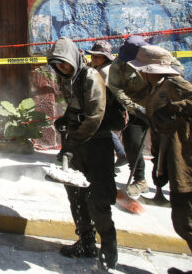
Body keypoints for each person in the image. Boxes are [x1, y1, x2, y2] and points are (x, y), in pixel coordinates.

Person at [128, 44, 192, 274]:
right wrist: (158, 164)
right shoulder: (155, 88)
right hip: (176, 161)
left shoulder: (174, 84)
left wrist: (177, 108)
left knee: (185, 222)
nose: (140, 72)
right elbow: (161, 131)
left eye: (143, 69)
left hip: (191, 162)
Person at [48, 37, 118, 270]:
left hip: (97, 144)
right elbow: (75, 106)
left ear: (75, 59)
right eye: (58, 65)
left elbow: (95, 116)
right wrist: (65, 120)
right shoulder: (66, 78)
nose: (62, 68)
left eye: (65, 64)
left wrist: (72, 140)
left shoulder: (90, 76)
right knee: (75, 196)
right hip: (77, 143)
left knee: (96, 199)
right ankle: (86, 242)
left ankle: (108, 248)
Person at [108, 35, 184, 201]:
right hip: (138, 110)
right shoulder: (119, 65)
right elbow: (116, 89)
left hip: (163, 108)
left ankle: (176, 186)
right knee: (132, 142)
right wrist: (136, 109)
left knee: (168, 147)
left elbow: (179, 72)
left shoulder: (158, 55)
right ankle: (139, 179)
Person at [85, 40, 128, 168]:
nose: (93, 58)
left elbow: (107, 91)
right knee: (101, 130)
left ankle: (118, 155)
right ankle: (119, 155)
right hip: (102, 105)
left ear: (105, 57)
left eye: (97, 56)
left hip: (106, 106)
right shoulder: (99, 67)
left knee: (101, 130)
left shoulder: (105, 70)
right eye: (93, 56)